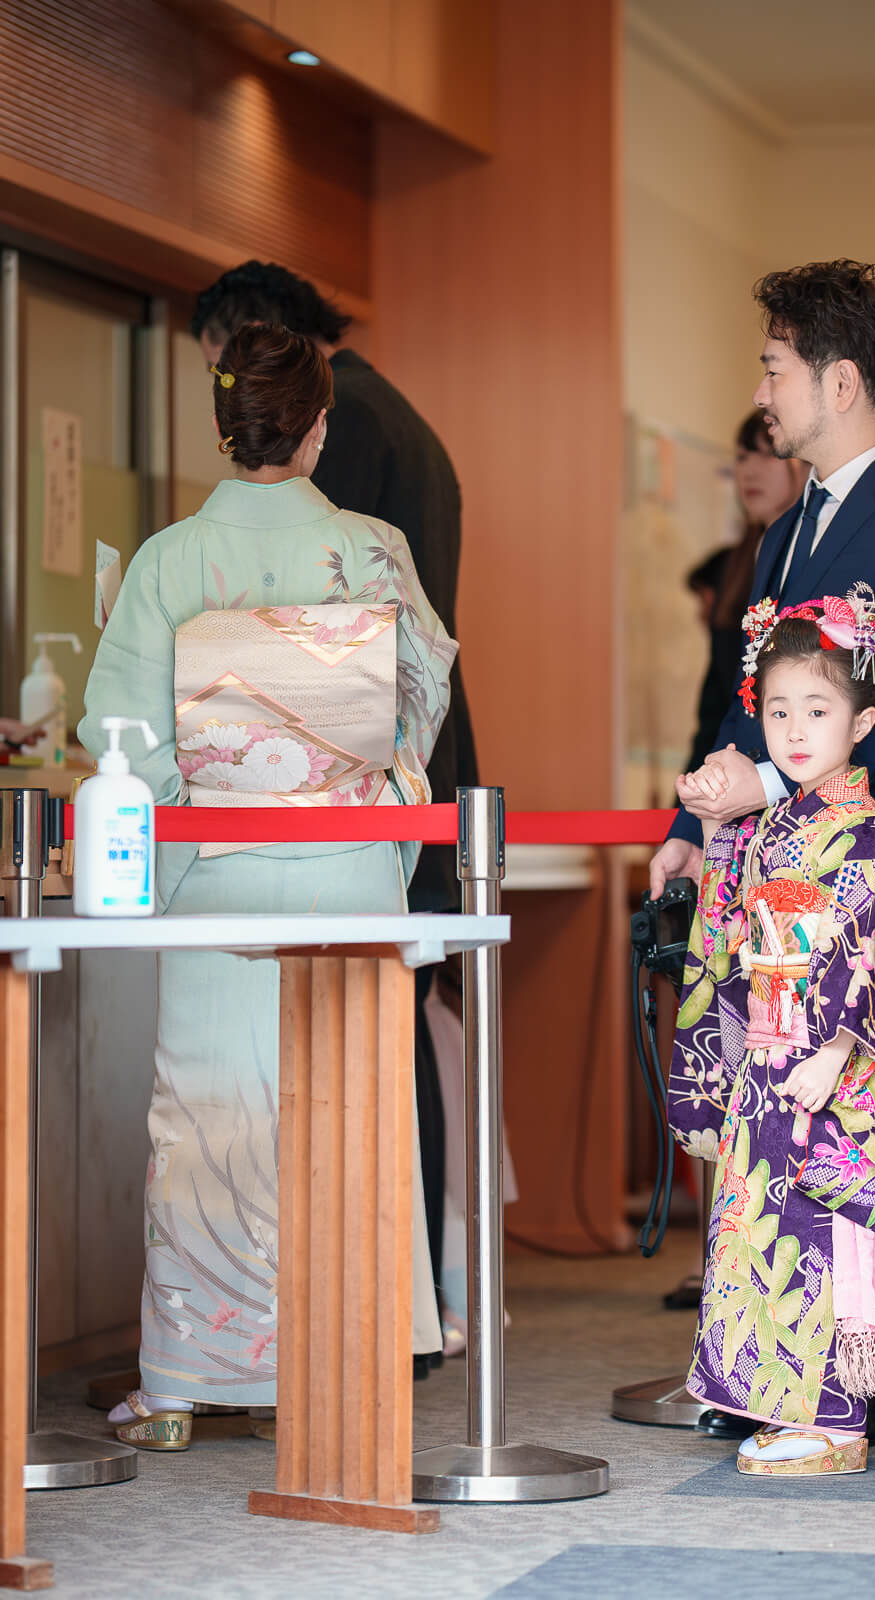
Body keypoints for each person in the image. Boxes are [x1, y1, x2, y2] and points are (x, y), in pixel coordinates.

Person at [80, 324, 456, 1447]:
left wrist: (193, 825)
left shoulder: (167, 562)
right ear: (320, 427)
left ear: (220, 425)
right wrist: (360, 810)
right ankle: (347, 1362)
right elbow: (415, 707)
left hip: (217, 874)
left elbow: (124, 737)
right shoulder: (375, 550)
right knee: (348, 1111)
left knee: (211, 1122)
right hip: (346, 871)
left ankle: (187, 1381)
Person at [650, 260, 875, 1445]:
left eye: (773, 364)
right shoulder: (792, 523)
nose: (762, 385)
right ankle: (781, 1360)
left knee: (861, 1105)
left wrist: (776, 776)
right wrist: (698, 825)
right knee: (770, 1108)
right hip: (762, 866)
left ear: (838, 381)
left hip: (856, 866)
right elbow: (754, 704)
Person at [192, 262, 476, 1337]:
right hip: (409, 764)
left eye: (226, 374)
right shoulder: (399, 414)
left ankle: (370, 1309)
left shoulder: (343, 424)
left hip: (341, 786)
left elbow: (305, 653)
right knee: (394, 1027)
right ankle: (410, 1302)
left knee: (363, 1040)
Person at [668, 590, 875, 1477]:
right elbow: (730, 926)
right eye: (780, 711)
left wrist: (840, 1047)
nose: (796, 731)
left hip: (832, 1063)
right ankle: (786, 1400)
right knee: (764, 1224)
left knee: (823, 1233)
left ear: (863, 723)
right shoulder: (776, 822)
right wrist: (719, 833)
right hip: (772, 1051)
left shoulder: (865, 831)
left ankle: (835, 1416)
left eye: (820, 711)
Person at [687, 414, 808, 771]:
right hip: (726, 764)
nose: (750, 471)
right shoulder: (732, 566)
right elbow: (715, 701)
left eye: (768, 454)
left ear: (803, 465)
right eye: (742, 457)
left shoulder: (811, 559)